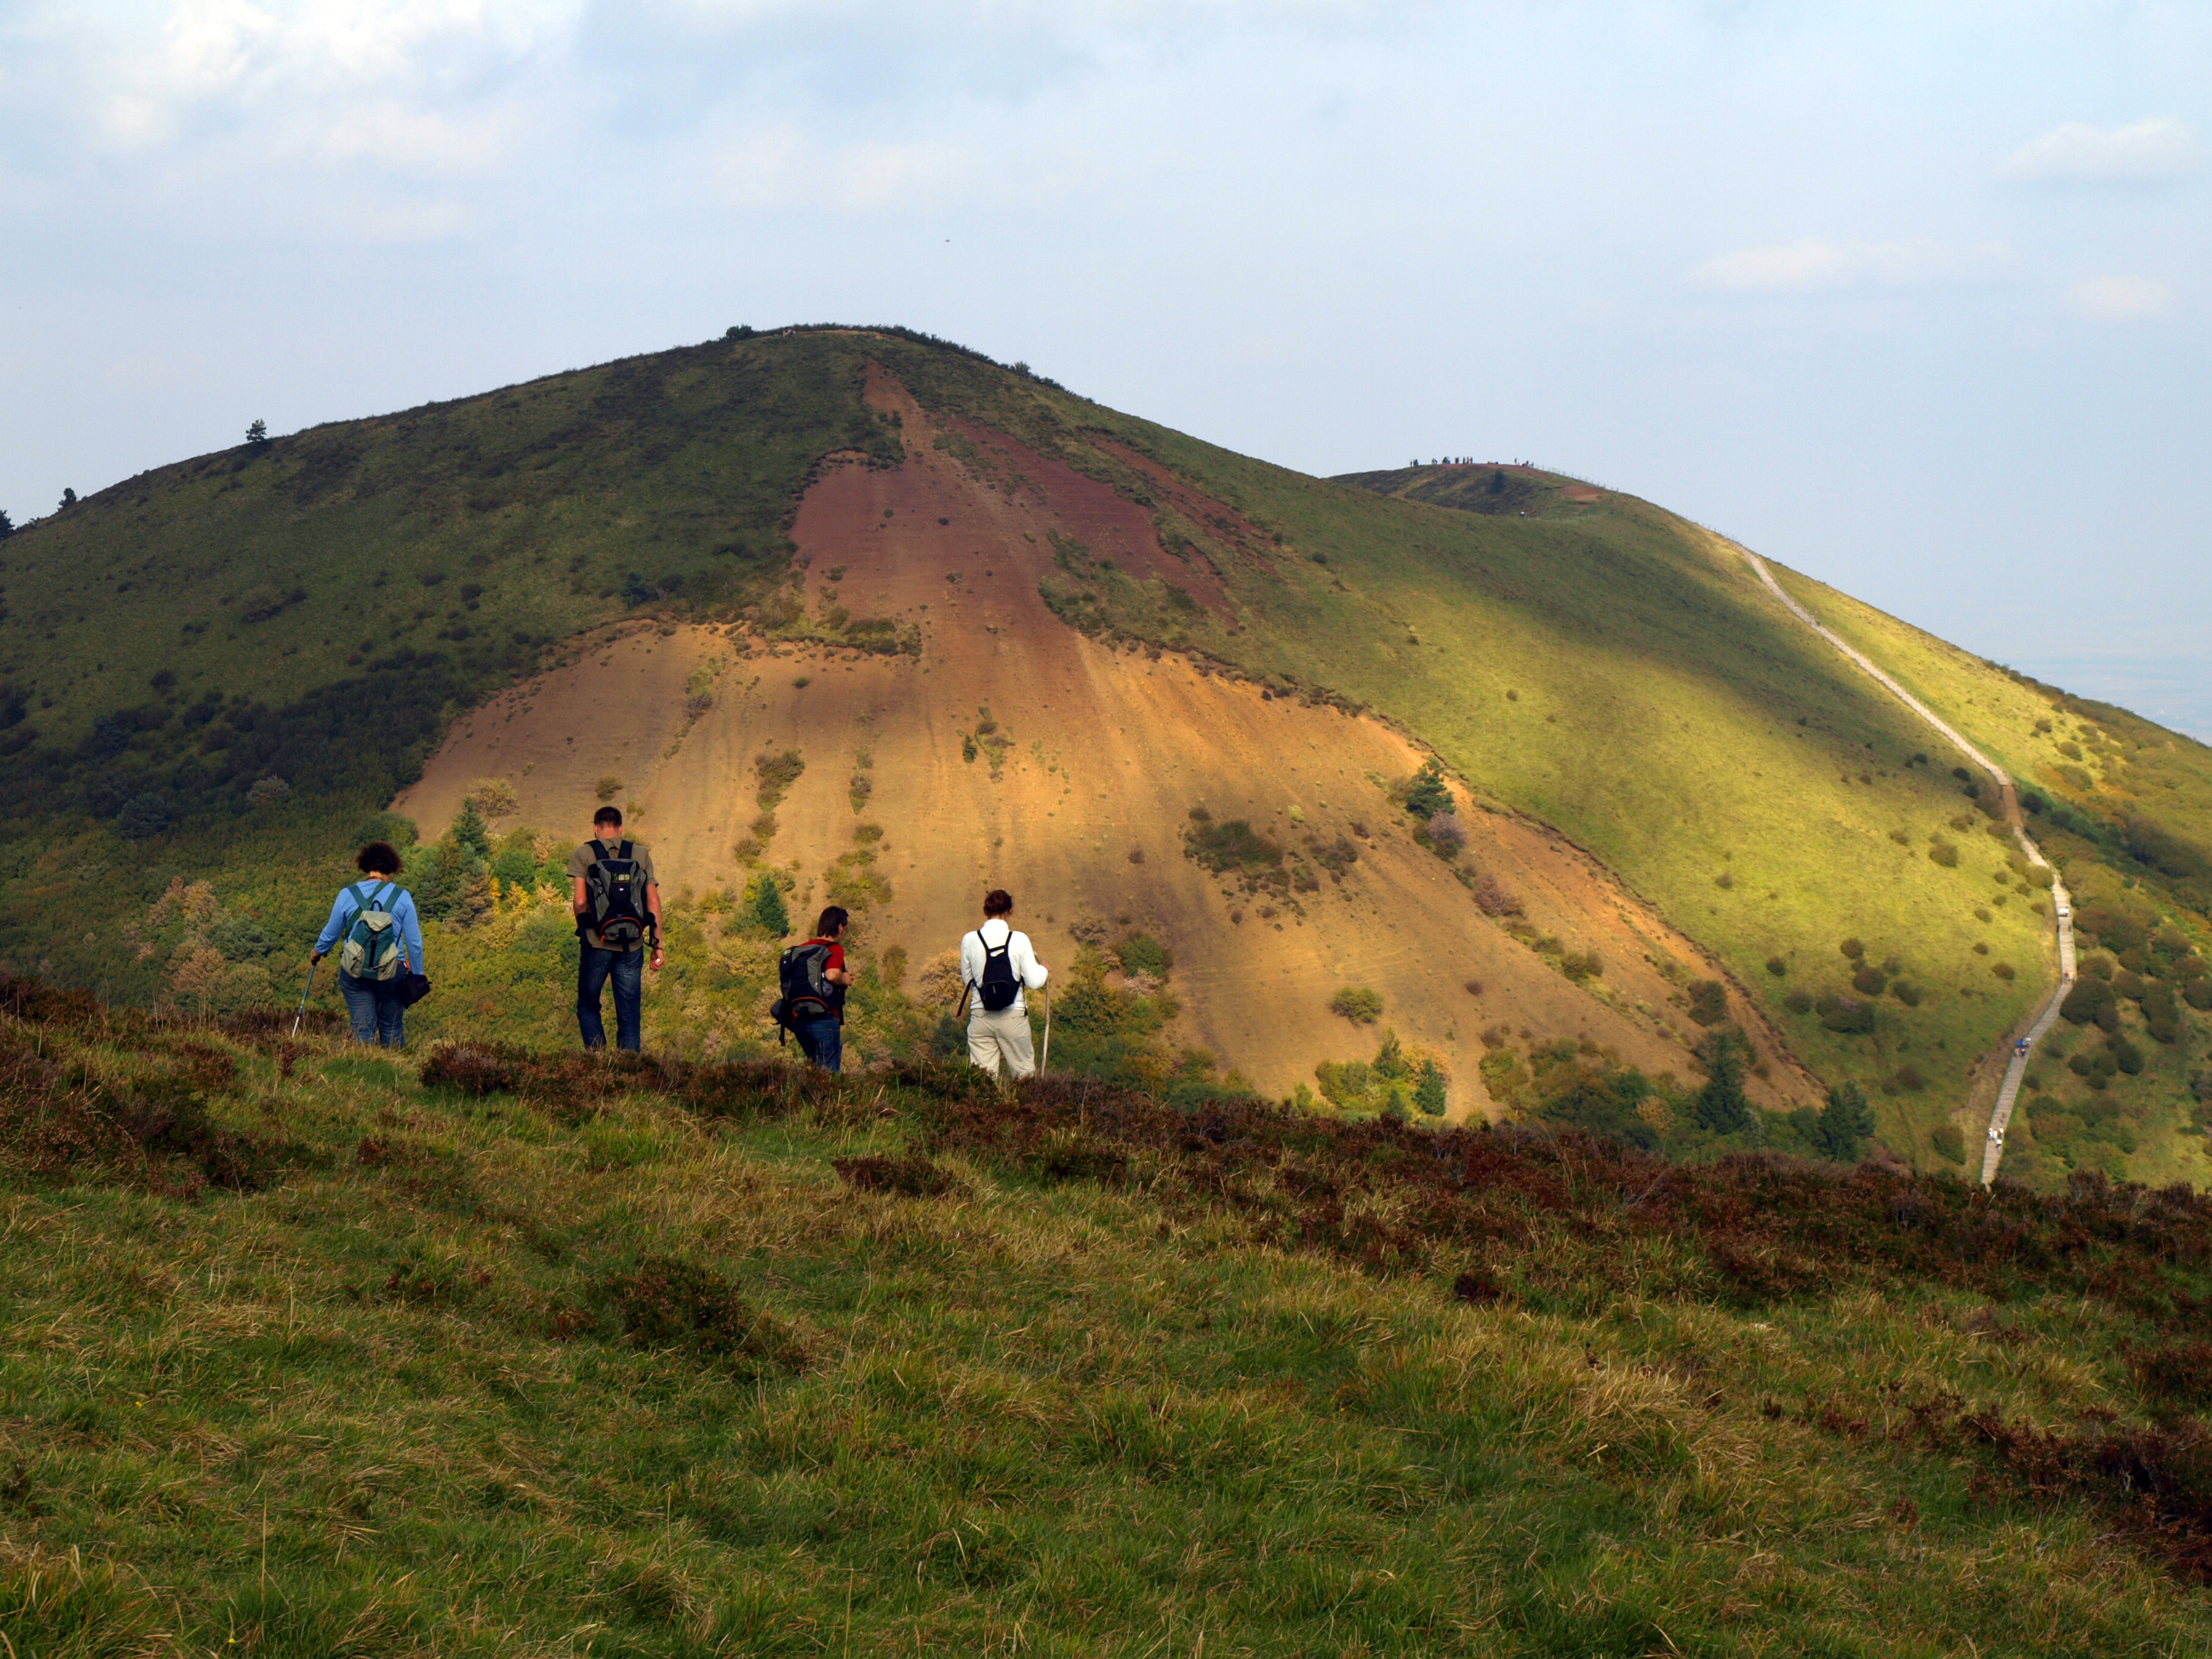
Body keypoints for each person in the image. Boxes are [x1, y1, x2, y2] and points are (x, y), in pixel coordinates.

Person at [310, 840, 424, 1047]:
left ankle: (366, 1071)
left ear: (365, 866)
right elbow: (414, 942)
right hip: (392, 971)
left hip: (356, 971)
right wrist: (417, 974)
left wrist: (318, 952)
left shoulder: (348, 894)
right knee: (392, 1027)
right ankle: (395, 1074)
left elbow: (331, 933)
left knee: (363, 1028)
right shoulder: (403, 897)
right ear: (392, 868)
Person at [567, 805, 662, 1051]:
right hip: (632, 944)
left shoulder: (584, 854)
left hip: (597, 943)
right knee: (629, 1012)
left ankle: (599, 1061)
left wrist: (586, 931)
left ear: (596, 829)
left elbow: (579, 902)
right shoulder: (640, 854)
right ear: (621, 828)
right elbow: (653, 901)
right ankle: (629, 1071)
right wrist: (658, 946)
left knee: (588, 1005)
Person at [959, 889, 1049, 1079]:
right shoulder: (1019, 939)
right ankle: (1024, 1109)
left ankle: (981, 1109)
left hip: (981, 1016)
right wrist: (1044, 969)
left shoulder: (969, 940)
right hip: (1013, 1017)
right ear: (1010, 912)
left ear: (985, 911)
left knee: (982, 1079)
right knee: (1024, 1076)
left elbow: (968, 980)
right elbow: (1034, 982)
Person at [786, 906, 855, 1071]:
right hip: (825, 1019)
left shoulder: (803, 948)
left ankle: (809, 1097)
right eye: (845, 929)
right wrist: (845, 978)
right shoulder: (834, 948)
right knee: (828, 1075)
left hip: (799, 1020)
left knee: (814, 1072)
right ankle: (827, 1097)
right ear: (840, 927)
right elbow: (832, 975)